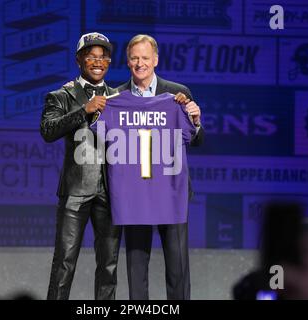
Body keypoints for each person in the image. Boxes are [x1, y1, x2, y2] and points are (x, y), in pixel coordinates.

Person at [117, 34, 204, 300]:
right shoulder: (116, 96)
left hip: (171, 192)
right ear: (127, 62)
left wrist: (196, 120)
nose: (140, 63)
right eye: (134, 58)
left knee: (178, 268)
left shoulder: (177, 94)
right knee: (136, 267)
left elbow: (196, 139)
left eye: (145, 58)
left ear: (155, 59)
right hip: (135, 195)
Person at [40, 32, 121, 300]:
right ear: (79, 60)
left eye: (103, 56)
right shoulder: (61, 95)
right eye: (91, 56)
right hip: (75, 190)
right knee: (64, 262)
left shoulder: (120, 97)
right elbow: (48, 130)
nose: (98, 61)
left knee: (109, 266)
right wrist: (84, 110)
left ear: (108, 62)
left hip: (111, 193)